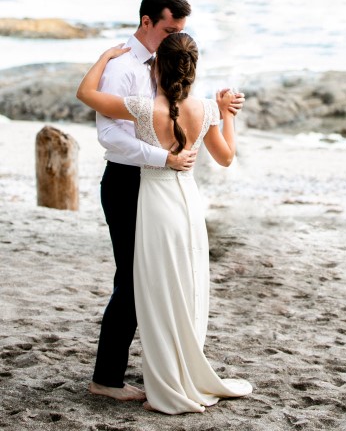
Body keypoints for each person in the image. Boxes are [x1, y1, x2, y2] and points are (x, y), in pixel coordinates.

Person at [77, 31, 252, 414]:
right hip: (187, 203)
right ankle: (181, 366)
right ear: (192, 69)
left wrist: (107, 56)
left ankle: (160, 372)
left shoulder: (143, 107)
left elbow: (86, 94)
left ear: (157, 64)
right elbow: (226, 158)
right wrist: (227, 117)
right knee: (184, 283)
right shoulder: (206, 109)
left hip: (153, 201)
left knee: (152, 286)